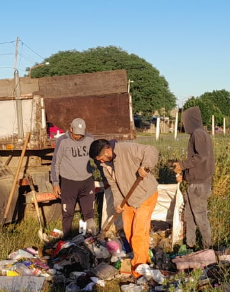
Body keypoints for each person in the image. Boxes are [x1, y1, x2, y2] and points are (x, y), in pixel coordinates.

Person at [89, 138, 159, 269]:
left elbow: (151, 150)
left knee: (138, 232)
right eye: (98, 160)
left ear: (108, 150)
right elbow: (114, 186)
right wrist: (118, 203)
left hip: (145, 195)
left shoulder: (126, 149)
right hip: (127, 199)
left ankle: (139, 266)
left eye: (101, 158)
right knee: (129, 232)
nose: (101, 162)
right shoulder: (105, 167)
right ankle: (142, 256)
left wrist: (146, 165)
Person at [173, 106, 215, 249]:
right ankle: (190, 245)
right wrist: (184, 176)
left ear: (190, 120)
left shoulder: (198, 133)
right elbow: (199, 163)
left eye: (184, 121)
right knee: (189, 216)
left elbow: (201, 157)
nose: (183, 124)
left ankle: (207, 248)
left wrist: (182, 165)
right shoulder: (200, 133)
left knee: (200, 217)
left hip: (199, 186)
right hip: (196, 183)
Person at [50, 118, 96, 238]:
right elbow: (56, 163)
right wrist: (55, 183)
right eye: (76, 134)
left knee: (89, 213)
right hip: (69, 182)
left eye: (81, 134)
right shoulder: (63, 140)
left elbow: (97, 158)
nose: (79, 137)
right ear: (71, 129)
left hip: (87, 181)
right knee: (68, 213)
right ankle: (67, 239)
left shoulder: (90, 139)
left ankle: (91, 238)